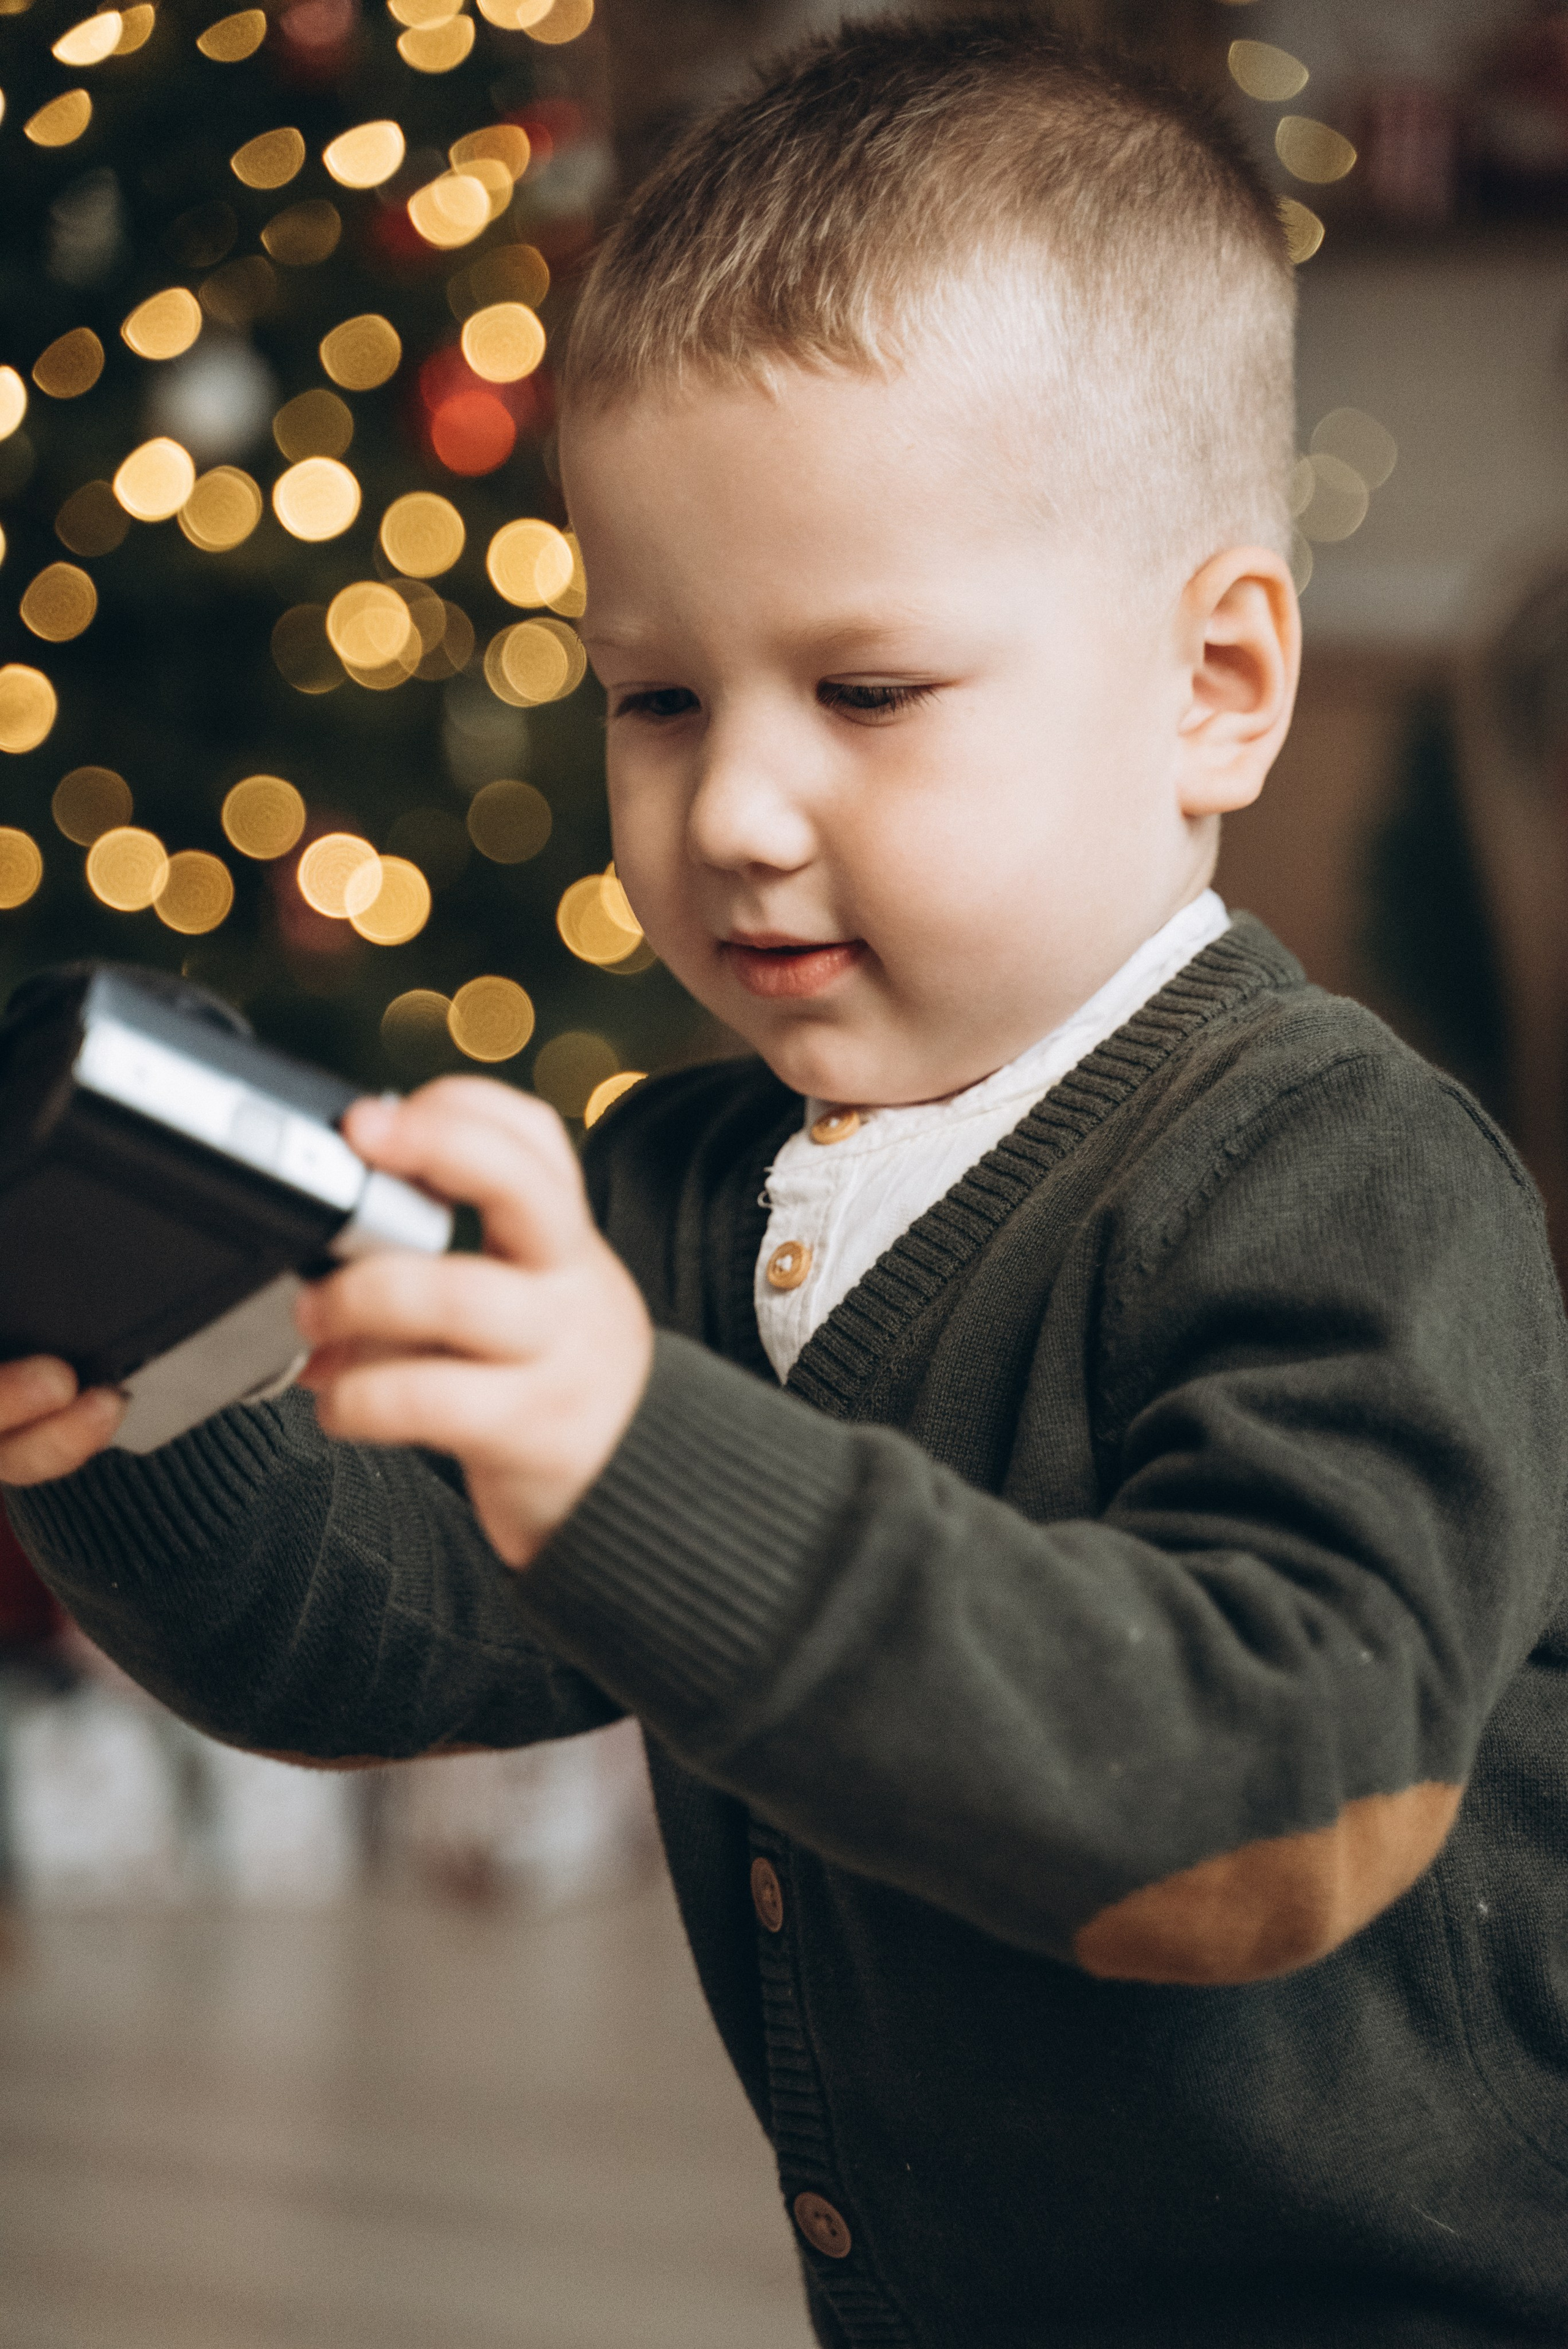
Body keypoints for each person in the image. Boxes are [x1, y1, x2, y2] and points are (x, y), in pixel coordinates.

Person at [4, 16, 1567, 2343]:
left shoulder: (1338, 1178)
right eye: (654, 694)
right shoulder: (691, 1191)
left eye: (865, 693)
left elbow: (1268, 1803)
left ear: (1220, 681)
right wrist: (133, 1408)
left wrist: (634, 1449)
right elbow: (375, 1624)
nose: (730, 811)